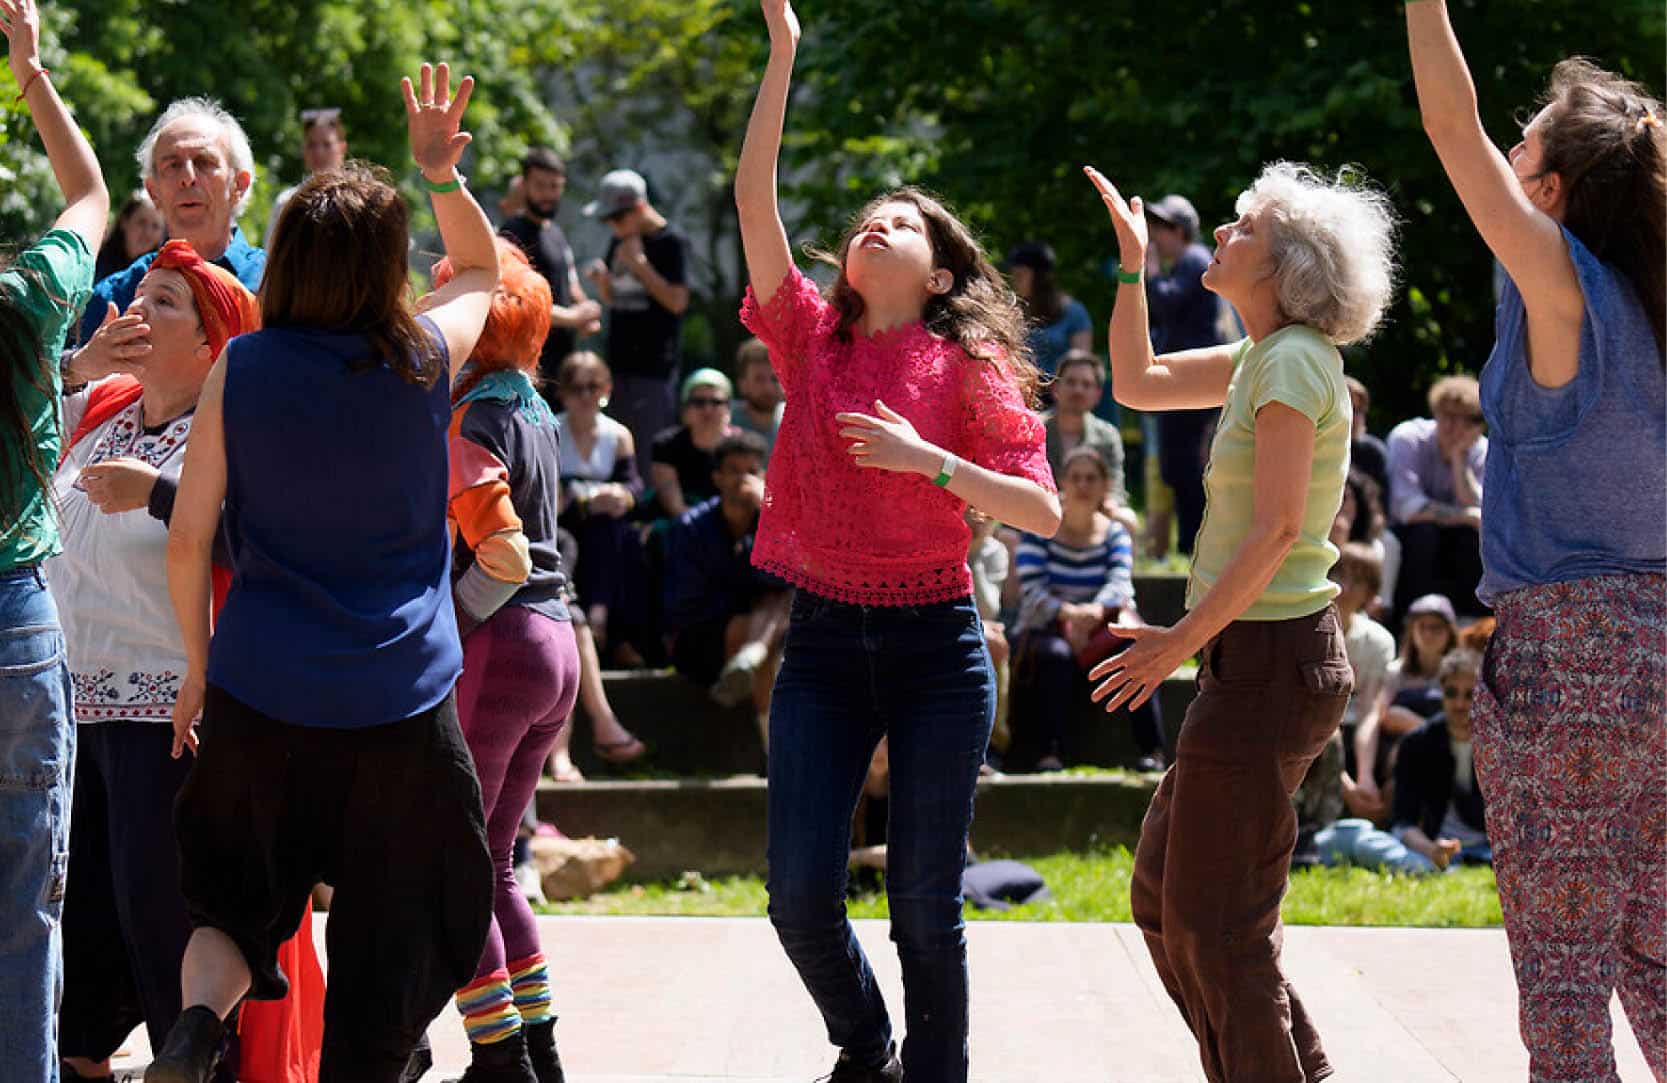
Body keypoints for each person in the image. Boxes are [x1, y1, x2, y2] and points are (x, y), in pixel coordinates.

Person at [148, 63, 500, 1083]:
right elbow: (483, 271)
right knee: (400, 926)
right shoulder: (423, 359)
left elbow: (189, 534)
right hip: (398, 705)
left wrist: (196, 672)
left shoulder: (242, 367)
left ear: (289, 259)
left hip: (262, 692)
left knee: (230, 901)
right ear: (388, 263)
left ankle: (198, 1028)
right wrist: (440, 173)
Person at [737, 4, 1060, 1078]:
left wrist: (929, 460)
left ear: (935, 275)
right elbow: (752, 198)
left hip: (935, 647)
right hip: (822, 644)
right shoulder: (806, 339)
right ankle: (864, 1044)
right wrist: (782, 57)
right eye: (866, 219)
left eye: (901, 224)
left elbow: (1041, 512)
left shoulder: (965, 366)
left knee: (926, 908)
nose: (873, 226)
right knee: (794, 901)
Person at [1084, 155, 1395, 1083]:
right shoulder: (1264, 356)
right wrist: (1132, 269)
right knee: (1170, 904)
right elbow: (1135, 382)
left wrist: (1177, 642)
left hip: (1267, 665)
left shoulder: (1296, 361)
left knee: (1215, 928)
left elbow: (1278, 529)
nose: (1221, 233)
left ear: (1286, 263)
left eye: (1242, 227)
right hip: (1250, 667)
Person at [1408, 5, 1666, 1076]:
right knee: (1652, 958)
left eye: (1526, 145)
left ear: (1550, 192)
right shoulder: (1651, 314)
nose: (1506, 154)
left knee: (1561, 983)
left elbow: (1445, 122)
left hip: (1576, 659)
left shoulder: (1564, 289)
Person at [49, 241, 259, 1083]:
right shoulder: (100, 406)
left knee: (169, 952)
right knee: (76, 970)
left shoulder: (237, 431)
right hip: (68, 722)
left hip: (170, 725)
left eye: (165, 301)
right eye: (139, 293)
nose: (139, 309)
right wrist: (76, 363)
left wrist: (157, 493)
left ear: (213, 342)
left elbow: (259, 541)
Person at [432, 238, 578, 1082]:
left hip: (501, 636)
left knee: (459, 858)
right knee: (493, 861)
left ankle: (502, 1057)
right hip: (552, 643)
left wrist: (446, 625)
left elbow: (504, 551)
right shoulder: (531, 406)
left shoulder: (474, 416)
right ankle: (539, 1045)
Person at [0, 2, 107, 1078]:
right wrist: (30, 73)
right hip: (16, 632)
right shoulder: (29, 297)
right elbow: (89, 194)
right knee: (27, 907)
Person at [69, 97, 263, 370]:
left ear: (239, 185)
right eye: (172, 165)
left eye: (204, 162)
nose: (187, 177)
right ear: (153, 192)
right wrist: (78, 366)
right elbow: (45, 375)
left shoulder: (276, 284)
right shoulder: (118, 295)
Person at [1013, 446, 1162, 773]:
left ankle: (1153, 750)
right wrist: (1069, 614)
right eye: (1075, 478)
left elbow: (1121, 583)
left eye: (1091, 478)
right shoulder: (1039, 529)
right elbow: (1032, 588)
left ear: (1104, 485)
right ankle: (1048, 752)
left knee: (1139, 650)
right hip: (1050, 625)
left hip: (1103, 626)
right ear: (1062, 482)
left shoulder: (1115, 534)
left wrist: (1093, 613)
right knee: (1054, 656)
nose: (1082, 485)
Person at [661, 432, 790, 738]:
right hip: (702, 643)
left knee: (778, 610)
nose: (743, 479)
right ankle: (772, 749)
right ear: (717, 477)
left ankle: (754, 653)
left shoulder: (772, 523)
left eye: (752, 471)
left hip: (764, 631)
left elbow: (787, 578)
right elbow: (686, 605)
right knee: (765, 629)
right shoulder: (690, 529)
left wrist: (768, 513)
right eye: (734, 470)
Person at [581, 167, 690, 477]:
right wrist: (603, 281)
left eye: (616, 219)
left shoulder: (672, 241)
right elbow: (615, 297)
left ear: (640, 208)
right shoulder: (622, 240)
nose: (612, 228)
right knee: (617, 454)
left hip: (652, 369)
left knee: (645, 457)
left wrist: (640, 266)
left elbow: (677, 301)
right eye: (607, 221)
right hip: (617, 365)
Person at [550, 350, 653, 671]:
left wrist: (622, 495)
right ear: (563, 393)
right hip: (562, 521)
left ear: (606, 390)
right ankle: (595, 621)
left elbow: (635, 486)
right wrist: (584, 502)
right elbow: (547, 493)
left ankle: (612, 630)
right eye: (576, 388)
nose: (585, 396)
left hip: (606, 525)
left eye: (592, 387)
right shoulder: (550, 430)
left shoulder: (618, 436)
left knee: (620, 536)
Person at [1142, 192, 1224, 557]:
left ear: (1179, 230)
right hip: (1184, 381)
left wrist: (1149, 271)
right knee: (1178, 466)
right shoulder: (1191, 261)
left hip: (1191, 384)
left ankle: (1193, 546)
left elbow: (1164, 301)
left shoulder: (1194, 259)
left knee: (1188, 464)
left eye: (1162, 228)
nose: (1155, 237)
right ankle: (1189, 545)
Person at [498, 148, 602, 392]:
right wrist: (573, 318)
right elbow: (516, 299)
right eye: (540, 186)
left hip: (562, 367)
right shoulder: (512, 234)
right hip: (528, 367)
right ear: (524, 185)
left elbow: (570, 284)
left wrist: (586, 310)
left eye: (554, 186)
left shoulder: (555, 233)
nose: (548, 194)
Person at [1385, 374, 1488, 621]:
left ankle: (1469, 621)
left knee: (1471, 540)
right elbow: (1407, 508)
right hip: (1411, 537)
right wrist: (1465, 516)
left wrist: (1458, 459)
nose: (1456, 428)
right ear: (1436, 413)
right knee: (1425, 534)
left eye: (1466, 420)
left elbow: (1481, 510)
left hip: (1459, 541)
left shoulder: (1480, 449)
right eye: (1449, 417)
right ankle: (1411, 621)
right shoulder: (1408, 438)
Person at [1389, 647, 1490, 872]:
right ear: (1441, 692)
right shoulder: (1416, 744)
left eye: (1469, 694)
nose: (1460, 704)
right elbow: (1402, 820)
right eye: (1451, 693)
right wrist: (1431, 849)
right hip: (1434, 848)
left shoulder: (1499, 745)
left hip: (1492, 848)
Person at [1327, 542, 1396, 822]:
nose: (1344, 586)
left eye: (1356, 581)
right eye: (1338, 575)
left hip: (1357, 729)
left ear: (1369, 593)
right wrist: (1346, 786)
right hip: (1317, 730)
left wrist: (1364, 778)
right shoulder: (1306, 634)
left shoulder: (1378, 641)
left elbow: (1369, 710)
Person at [1042, 349, 1127, 510]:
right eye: (1071, 382)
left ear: (1098, 395)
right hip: (1040, 515)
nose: (1078, 390)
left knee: (1127, 519)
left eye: (1086, 384)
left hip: (1093, 515)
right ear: (1055, 388)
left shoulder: (1108, 435)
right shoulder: (1033, 429)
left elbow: (1116, 490)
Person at [649, 367, 738, 518]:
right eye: (699, 402)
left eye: (716, 402)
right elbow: (674, 506)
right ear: (685, 408)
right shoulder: (666, 444)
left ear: (728, 409)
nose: (707, 410)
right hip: (682, 526)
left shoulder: (741, 447)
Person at [1003, 240, 1092, 380]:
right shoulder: (1011, 311)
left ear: (1040, 277)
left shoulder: (1074, 313)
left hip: (1062, 396)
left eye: (1020, 275)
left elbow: (1081, 364)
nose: (1015, 280)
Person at [263, 107, 347, 249]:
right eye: (311, 145)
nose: (319, 152)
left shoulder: (355, 199)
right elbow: (270, 255)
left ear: (341, 148)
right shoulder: (287, 202)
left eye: (327, 144)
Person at [731, 336, 784, 460]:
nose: (768, 388)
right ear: (742, 384)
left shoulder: (798, 422)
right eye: (759, 379)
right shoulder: (725, 422)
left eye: (775, 378)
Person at [94, 189, 164, 282]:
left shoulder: (160, 274)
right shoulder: (96, 257)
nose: (148, 232)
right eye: (141, 222)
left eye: (155, 226)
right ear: (124, 222)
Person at [1343, 375, 1390, 498]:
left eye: (1359, 410)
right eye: (1349, 408)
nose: (1355, 418)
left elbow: (1381, 511)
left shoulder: (1373, 452)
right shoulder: (1315, 448)